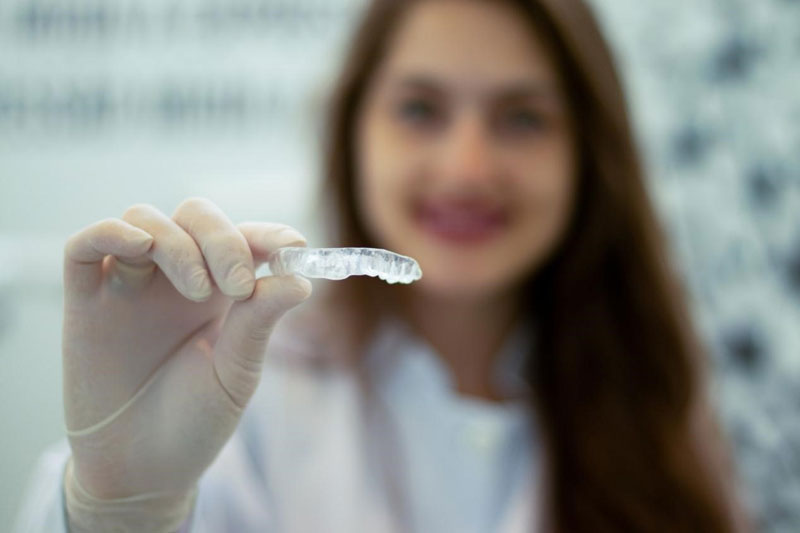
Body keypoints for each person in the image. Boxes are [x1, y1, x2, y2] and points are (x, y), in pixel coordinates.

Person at [13, 0, 750, 531]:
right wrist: (118, 508)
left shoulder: (657, 405)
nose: (467, 168)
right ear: (352, 131)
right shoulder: (239, 393)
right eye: (420, 109)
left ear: (589, 154)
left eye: (522, 117)